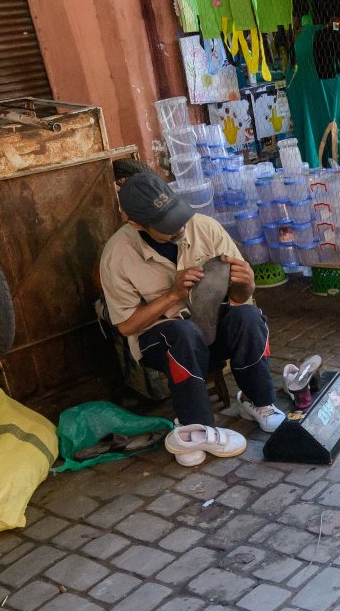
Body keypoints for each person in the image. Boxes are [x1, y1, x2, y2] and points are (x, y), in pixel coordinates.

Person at [100, 172, 286, 467]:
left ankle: (258, 402)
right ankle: (195, 427)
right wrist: (172, 296)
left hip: (211, 326)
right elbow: (126, 326)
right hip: (162, 341)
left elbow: (240, 298)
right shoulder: (116, 254)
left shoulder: (205, 228)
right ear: (134, 224)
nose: (179, 228)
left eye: (178, 216)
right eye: (166, 226)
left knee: (248, 316)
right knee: (183, 333)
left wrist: (248, 283)